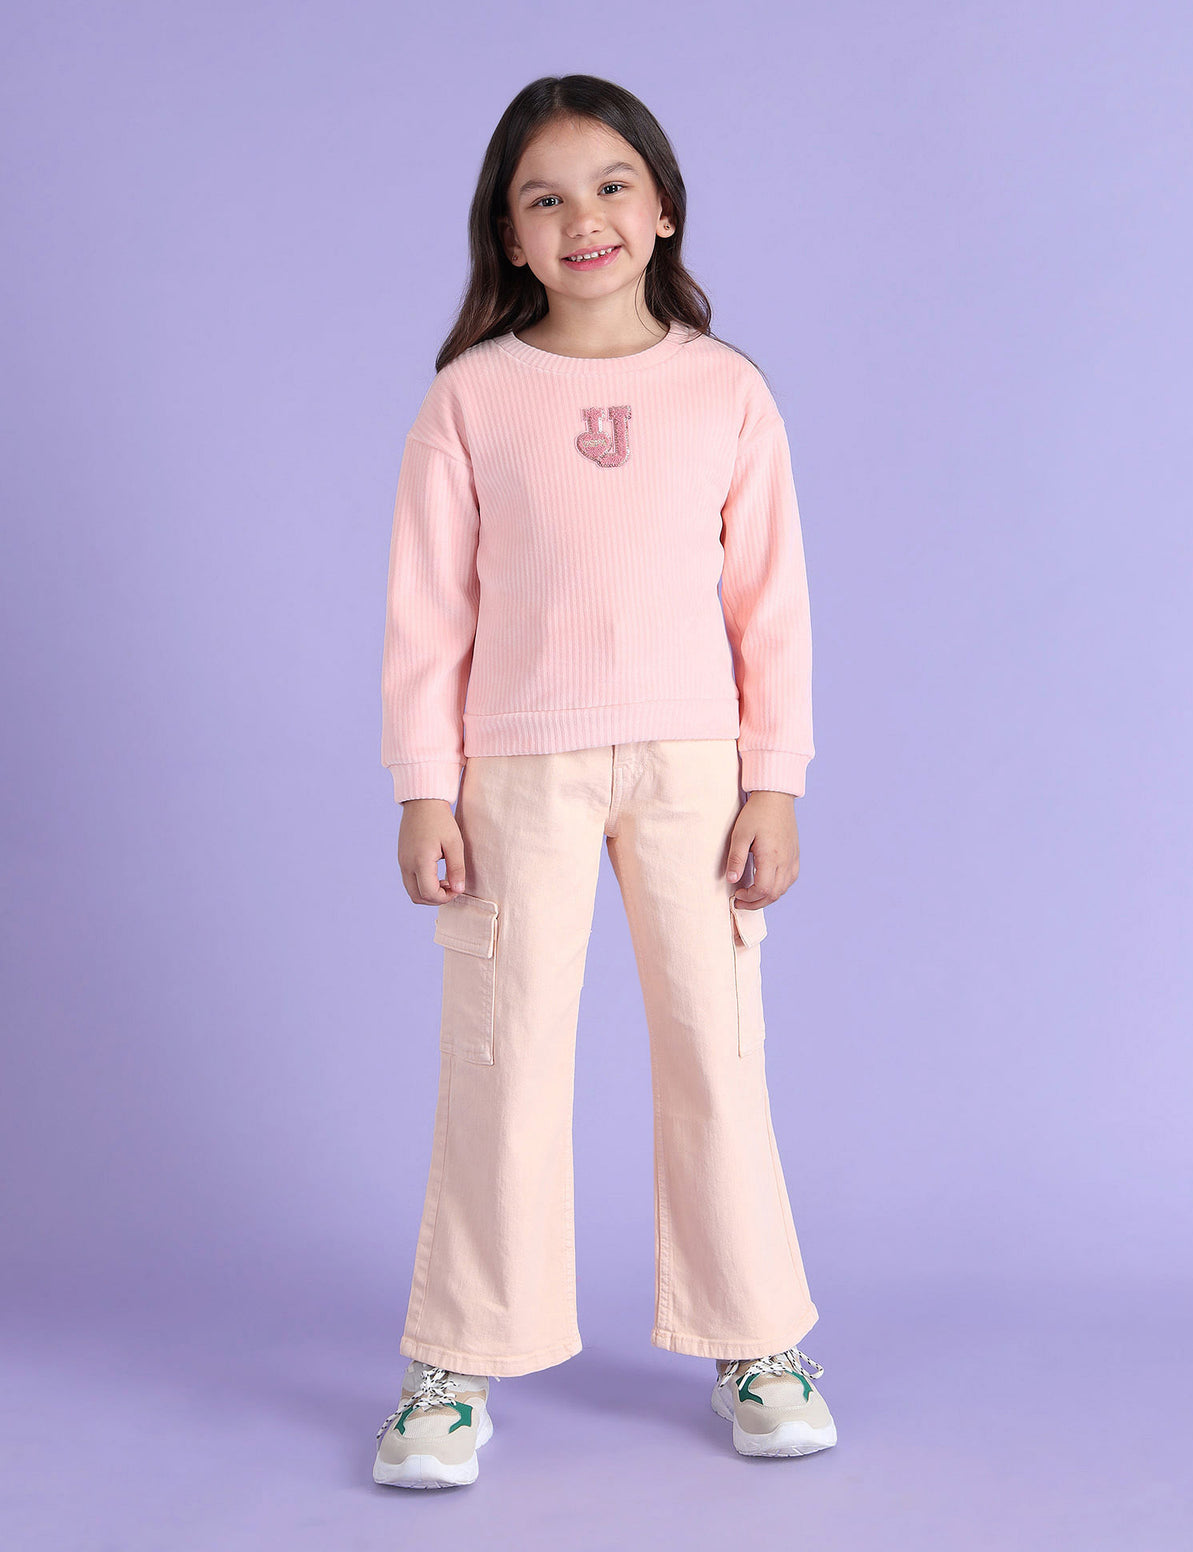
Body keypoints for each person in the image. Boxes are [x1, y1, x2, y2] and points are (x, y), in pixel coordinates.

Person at [372, 73, 837, 1489]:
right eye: (546, 197)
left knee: (716, 1050)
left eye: (611, 185)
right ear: (509, 235)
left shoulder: (726, 390)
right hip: (518, 767)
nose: (585, 217)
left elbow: (770, 609)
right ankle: (456, 1361)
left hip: (696, 767)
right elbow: (429, 613)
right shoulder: (471, 397)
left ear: (664, 207)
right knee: (502, 1055)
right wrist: (424, 784)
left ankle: (757, 1340)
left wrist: (775, 781)